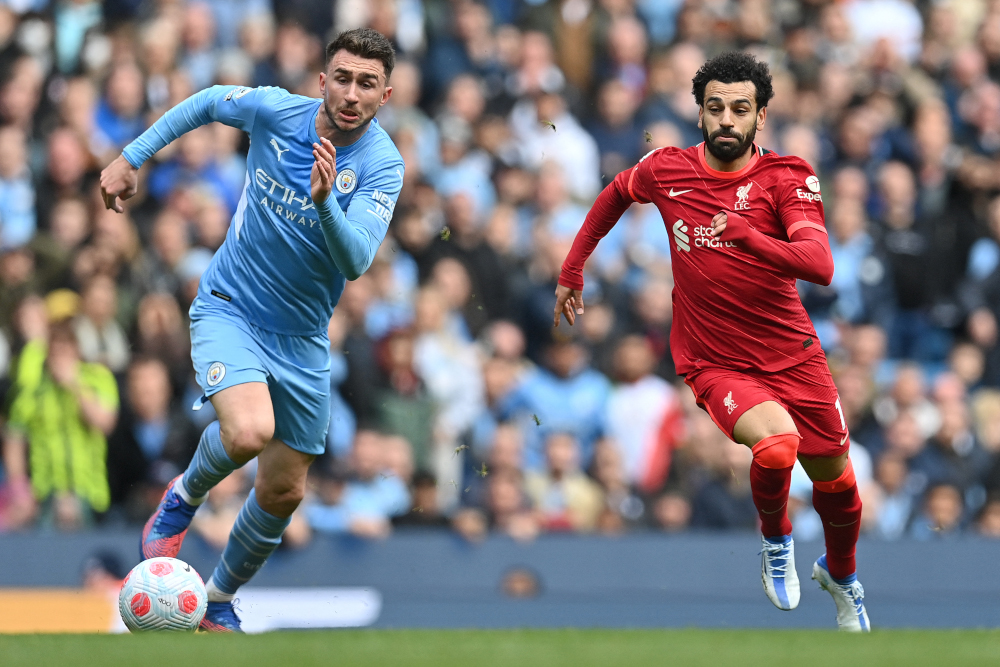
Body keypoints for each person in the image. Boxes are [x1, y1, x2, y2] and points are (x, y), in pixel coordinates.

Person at [98, 28, 404, 632]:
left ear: (384, 95)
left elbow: (356, 261)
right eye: (343, 79)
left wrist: (324, 202)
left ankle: (217, 599)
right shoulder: (275, 111)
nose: (351, 94)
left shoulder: (382, 165)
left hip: (304, 339)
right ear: (322, 81)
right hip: (230, 307)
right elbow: (208, 100)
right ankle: (181, 498)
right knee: (248, 431)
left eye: (367, 84)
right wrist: (132, 157)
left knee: (284, 491)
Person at [553, 52, 869, 632]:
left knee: (838, 483)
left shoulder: (786, 177)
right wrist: (574, 268)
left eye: (740, 109)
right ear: (699, 112)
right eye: (715, 107)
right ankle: (776, 541)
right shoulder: (668, 169)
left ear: (761, 116)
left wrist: (751, 237)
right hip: (715, 360)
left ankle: (842, 575)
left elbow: (820, 264)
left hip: (794, 355)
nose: (727, 119)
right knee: (777, 447)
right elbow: (616, 193)